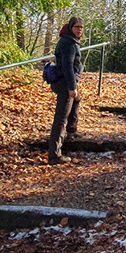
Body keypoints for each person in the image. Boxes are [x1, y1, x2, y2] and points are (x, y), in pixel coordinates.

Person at [48, 16, 84, 164]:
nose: (79, 30)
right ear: (71, 27)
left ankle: (72, 131)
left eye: (81, 27)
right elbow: (68, 66)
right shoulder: (68, 43)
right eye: (77, 27)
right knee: (61, 118)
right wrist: (72, 87)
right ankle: (54, 155)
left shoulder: (69, 40)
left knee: (77, 99)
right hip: (65, 83)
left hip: (65, 82)